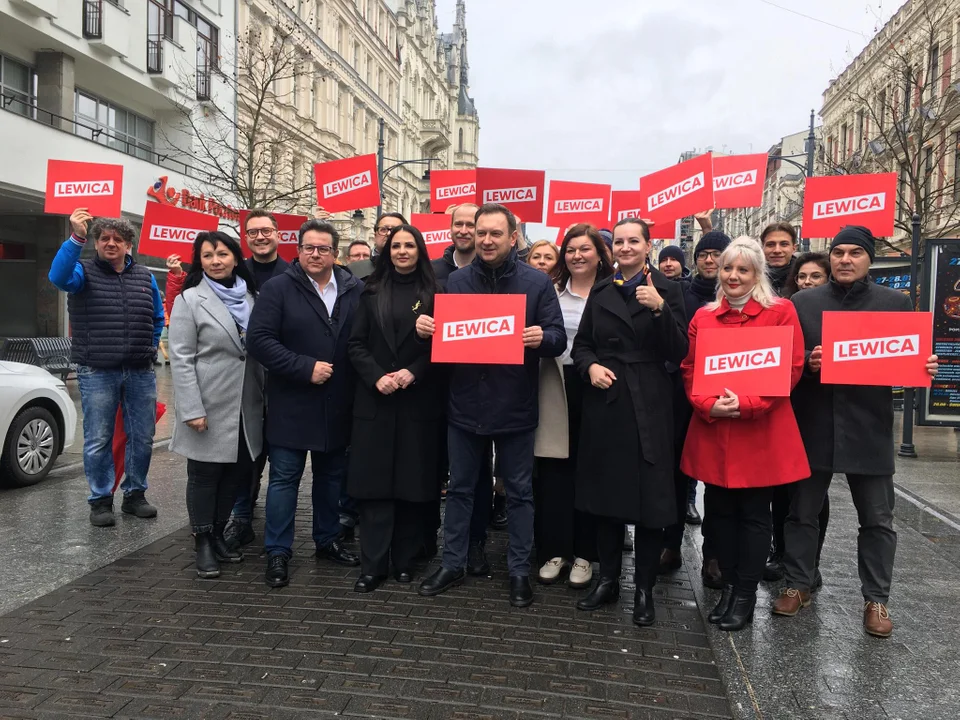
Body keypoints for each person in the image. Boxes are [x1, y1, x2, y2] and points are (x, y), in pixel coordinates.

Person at [776, 226, 939, 638]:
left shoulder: (895, 303)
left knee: (878, 519)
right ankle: (798, 584)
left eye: (855, 253)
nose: (845, 259)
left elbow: (908, 361)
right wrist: (807, 367)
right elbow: (786, 365)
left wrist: (925, 366)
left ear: (870, 258)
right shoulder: (802, 303)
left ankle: (876, 599)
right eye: (838, 252)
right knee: (801, 513)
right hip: (815, 423)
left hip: (869, 427)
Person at [416, 203, 566, 607]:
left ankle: (518, 571)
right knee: (461, 489)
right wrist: (425, 327)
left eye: (495, 234)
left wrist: (541, 337)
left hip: (515, 405)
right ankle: (453, 562)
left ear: (513, 238)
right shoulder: (456, 281)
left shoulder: (536, 284)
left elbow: (558, 338)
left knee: (519, 493)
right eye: (481, 232)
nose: (485, 240)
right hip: (464, 405)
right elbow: (440, 333)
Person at [680, 237, 808, 631]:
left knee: (754, 515)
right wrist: (706, 404)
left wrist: (749, 405)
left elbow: (791, 367)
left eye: (743, 269)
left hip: (760, 432)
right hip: (717, 427)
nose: (733, 276)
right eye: (727, 268)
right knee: (720, 512)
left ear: (757, 274)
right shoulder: (704, 316)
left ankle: (746, 595)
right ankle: (731, 587)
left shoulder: (781, 311)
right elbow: (690, 368)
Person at [572, 218, 688, 627]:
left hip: (650, 402)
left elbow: (679, 349)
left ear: (647, 245)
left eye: (632, 241)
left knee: (651, 501)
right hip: (607, 402)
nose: (624, 247)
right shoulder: (602, 289)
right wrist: (590, 368)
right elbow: (582, 344)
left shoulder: (669, 290)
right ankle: (607, 580)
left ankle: (644, 589)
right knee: (607, 499)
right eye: (618, 241)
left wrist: (658, 309)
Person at [247, 219, 364, 588]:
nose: (316, 254)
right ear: (297, 251)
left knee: (331, 479)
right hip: (293, 400)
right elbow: (259, 341)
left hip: (338, 402)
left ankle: (327, 540)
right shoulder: (279, 288)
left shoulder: (354, 288)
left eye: (323, 248)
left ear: (336, 253)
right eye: (309, 248)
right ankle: (278, 551)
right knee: (284, 480)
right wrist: (303, 367)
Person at [48, 208, 164, 527]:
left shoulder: (145, 276)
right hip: (97, 370)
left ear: (129, 246)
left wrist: (151, 344)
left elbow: (157, 317)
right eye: (104, 238)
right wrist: (76, 237)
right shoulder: (82, 272)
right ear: (96, 243)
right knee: (98, 437)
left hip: (140, 370)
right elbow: (57, 277)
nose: (110, 243)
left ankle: (134, 495)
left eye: (118, 239)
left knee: (142, 436)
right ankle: (100, 500)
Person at [347, 225, 443, 592]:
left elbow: (444, 351)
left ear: (420, 250)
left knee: (412, 485)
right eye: (396, 245)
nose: (402, 251)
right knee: (374, 488)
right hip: (376, 402)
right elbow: (355, 345)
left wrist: (413, 372)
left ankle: (405, 560)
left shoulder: (436, 294)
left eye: (410, 245)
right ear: (387, 250)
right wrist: (376, 377)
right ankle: (373, 566)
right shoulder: (369, 291)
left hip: (417, 402)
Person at [168, 232, 264, 578]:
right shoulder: (190, 300)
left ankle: (220, 532)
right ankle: (203, 541)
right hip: (208, 403)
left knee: (237, 472)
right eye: (207, 256)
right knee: (205, 475)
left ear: (236, 258)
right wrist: (191, 408)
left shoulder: (253, 298)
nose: (215, 261)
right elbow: (180, 358)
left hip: (246, 404)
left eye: (222, 254)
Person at [534, 224, 614, 589]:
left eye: (585, 249)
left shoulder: (614, 293)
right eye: (570, 250)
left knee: (593, 472)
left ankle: (585, 553)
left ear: (600, 253)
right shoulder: (550, 293)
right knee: (554, 471)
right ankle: (556, 549)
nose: (577, 255)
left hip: (598, 387)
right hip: (556, 386)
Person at [430, 202, 497, 575]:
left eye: (473, 224)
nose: (466, 230)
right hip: (439, 385)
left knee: (476, 476)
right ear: (450, 228)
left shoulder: (496, 273)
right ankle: (436, 541)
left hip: (483, 392)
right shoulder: (436, 272)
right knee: (443, 470)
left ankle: (476, 543)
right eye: (459, 223)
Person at [765, 251, 832, 583]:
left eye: (815, 276)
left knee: (813, 491)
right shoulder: (784, 309)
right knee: (783, 490)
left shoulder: (836, 309)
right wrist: (806, 359)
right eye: (802, 276)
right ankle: (781, 554)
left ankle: (810, 562)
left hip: (821, 410)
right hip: (788, 406)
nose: (807, 282)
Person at [676, 229, 732, 588]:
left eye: (717, 254)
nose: (709, 260)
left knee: (719, 485)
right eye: (703, 254)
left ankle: (714, 555)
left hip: (729, 404)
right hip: (683, 397)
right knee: (676, 474)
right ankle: (670, 542)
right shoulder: (679, 293)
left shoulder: (741, 299)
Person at [348, 213, 408, 280]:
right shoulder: (353, 270)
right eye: (383, 229)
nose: (388, 233)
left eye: (395, 230)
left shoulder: (418, 271)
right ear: (375, 236)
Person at [761, 222, 799, 296]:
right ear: (762, 248)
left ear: (794, 248)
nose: (777, 250)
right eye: (771, 245)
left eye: (784, 244)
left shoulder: (805, 278)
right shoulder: (751, 278)